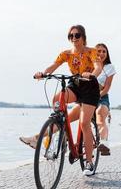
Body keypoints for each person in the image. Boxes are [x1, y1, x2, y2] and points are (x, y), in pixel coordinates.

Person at [20, 25, 102, 176]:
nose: (74, 38)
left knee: (84, 123)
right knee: (58, 99)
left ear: (83, 37)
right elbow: (54, 65)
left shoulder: (92, 51)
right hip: (75, 85)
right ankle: (58, 130)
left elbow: (97, 66)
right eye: (71, 36)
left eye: (77, 35)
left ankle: (89, 162)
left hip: (90, 88)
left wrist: (92, 74)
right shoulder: (66, 54)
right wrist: (43, 73)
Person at [67, 43, 116, 155]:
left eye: (104, 51)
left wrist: (96, 98)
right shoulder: (89, 63)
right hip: (87, 96)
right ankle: (49, 138)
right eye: (98, 51)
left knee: (100, 116)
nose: (101, 53)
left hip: (101, 98)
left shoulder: (110, 68)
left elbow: (107, 88)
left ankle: (103, 143)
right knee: (68, 118)